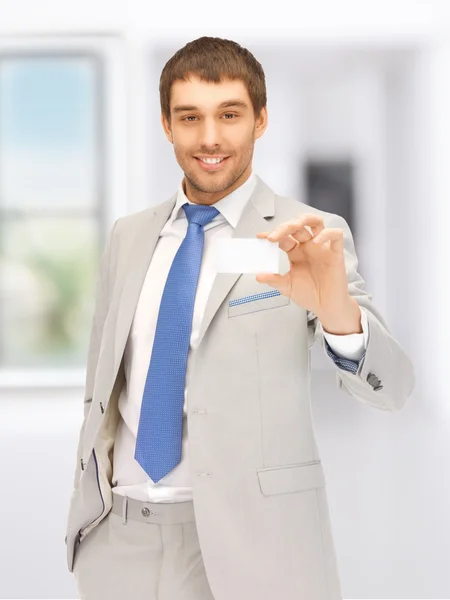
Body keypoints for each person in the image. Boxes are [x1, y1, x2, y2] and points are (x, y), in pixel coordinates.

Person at [65, 36, 415, 600]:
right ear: (166, 125)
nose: (209, 138)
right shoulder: (129, 237)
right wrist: (89, 520)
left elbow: (392, 389)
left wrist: (337, 315)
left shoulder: (310, 231)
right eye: (189, 117)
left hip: (255, 545)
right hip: (120, 541)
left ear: (260, 120)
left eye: (229, 115)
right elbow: (103, 383)